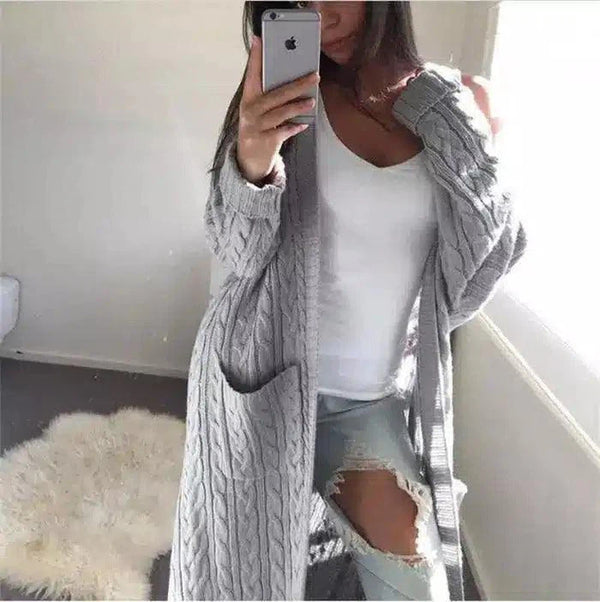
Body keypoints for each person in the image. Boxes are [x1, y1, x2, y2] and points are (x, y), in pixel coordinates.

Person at [168, 2, 528, 601]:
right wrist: (253, 158)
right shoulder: (285, 95)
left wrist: (454, 127)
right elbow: (237, 251)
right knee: (238, 581)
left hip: (365, 401)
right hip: (258, 383)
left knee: (418, 589)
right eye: (298, 0)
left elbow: (477, 276)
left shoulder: (464, 104)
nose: (322, 16)